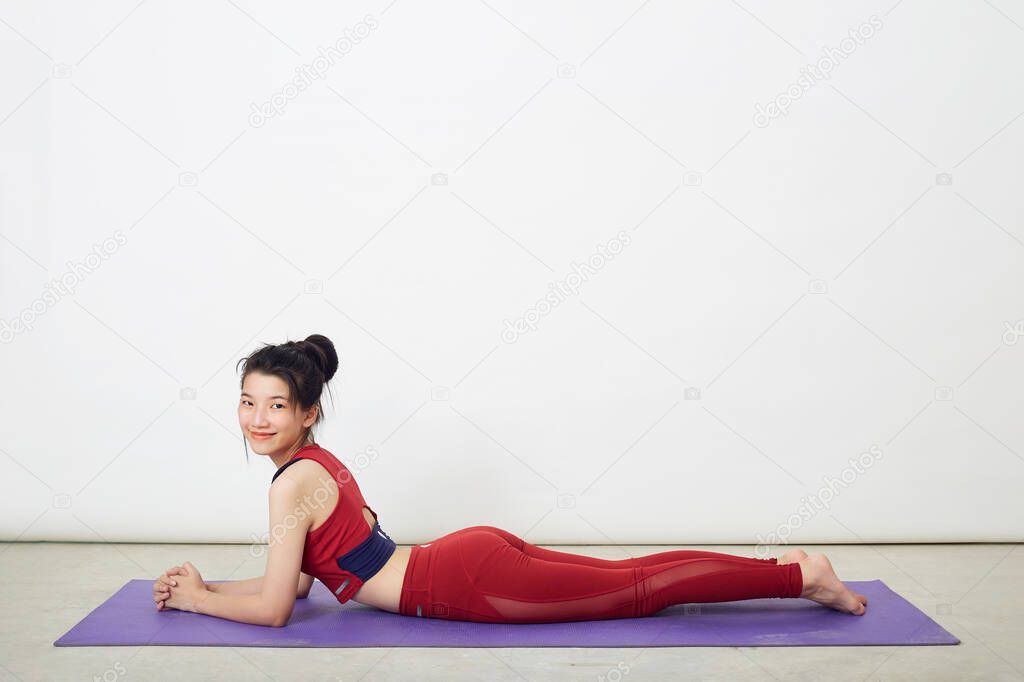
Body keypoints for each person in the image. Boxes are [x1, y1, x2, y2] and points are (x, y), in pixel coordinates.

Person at [152, 334, 868, 626]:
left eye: (275, 405)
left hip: (463, 581)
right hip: (464, 554)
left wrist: (192, 604)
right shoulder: (314, 465)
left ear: (307, 412)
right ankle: (793, 570)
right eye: (248, 401)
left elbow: (279, 608)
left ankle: (798, 577)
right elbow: (302, 583)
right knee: (637, 577)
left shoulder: (288, 483)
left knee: (642, 590)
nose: (256, 417)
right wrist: (209, 588)